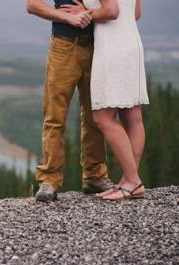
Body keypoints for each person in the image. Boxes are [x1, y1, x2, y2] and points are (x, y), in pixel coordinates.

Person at [26, 0, 115, 202]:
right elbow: (32, 5)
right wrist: (68, 17)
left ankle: (95, 177)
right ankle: (49, 180)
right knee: (54, 116)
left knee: (96, 115)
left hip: (99, 47)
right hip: (64, 46)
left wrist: (88, 13)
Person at [61, 0, 149, 200]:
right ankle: (129, 181)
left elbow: (111, 11)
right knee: (132, 117)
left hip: (113, 48)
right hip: (131, 42)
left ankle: (133, 181)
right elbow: (135, 13)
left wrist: (85, 13)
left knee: (102, 117)